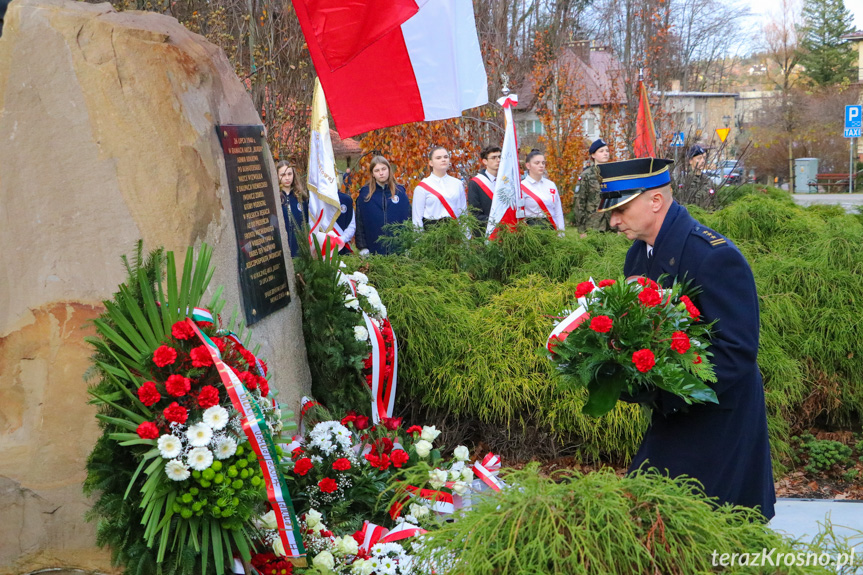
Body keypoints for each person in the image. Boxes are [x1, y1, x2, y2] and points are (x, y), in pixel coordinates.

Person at [596, 157, 776, 520]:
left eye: (621, 209)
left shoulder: (714, 256)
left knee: (718, 526)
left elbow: (736, 351)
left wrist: (665, 389)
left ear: (656, 202)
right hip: (675, 412)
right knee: (653, 516)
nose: (613, 221)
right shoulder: (638, 254)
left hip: (718, 416)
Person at [355, 156, 412, 255]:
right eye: (377, 170)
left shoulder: (400, 192)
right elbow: (360, 222)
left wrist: (408, 244)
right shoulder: (365, 194)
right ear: (372, 174)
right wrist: (362, 247)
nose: (381, 173)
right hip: (374, 250)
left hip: (398, 250)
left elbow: (408, 218)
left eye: (383, 169)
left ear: (389, 170)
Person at [412, 146, 468, 230]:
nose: (443, 160)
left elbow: (463, 212)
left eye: (446, 157)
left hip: (455, 232)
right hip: (432, 234)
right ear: (431, 163)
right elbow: (417, 218)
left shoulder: (458, 184)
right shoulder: (422, 187)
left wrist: (465, 238)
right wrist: (419, 239)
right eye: (438, 158)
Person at [571, 138, 611, 232]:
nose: (605, 153)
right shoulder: (586, 176)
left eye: (607, 151)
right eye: (601, 151)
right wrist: (581, 229)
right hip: (593, 226)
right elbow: (579, 203)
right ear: (593, 155)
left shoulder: (613, 174)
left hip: (611, 225)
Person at [520, 149, 565, 230]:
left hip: (551, 228)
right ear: (528, 165)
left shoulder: (551, 185)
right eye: (537, 163)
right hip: (533, 230)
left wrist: (561, 231)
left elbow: (558, 210)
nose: (541, 165)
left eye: (543, 163)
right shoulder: (522, 186)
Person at [277, 160, 309, 258]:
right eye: (283, 175)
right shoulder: (275, 199)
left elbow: (306, 223)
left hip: (299, 249)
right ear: (277, 176)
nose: (287, 178)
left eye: (289, 174)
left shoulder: (301, 197)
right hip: (281, 249)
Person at [467, 145, 501, 235]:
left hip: (506, 232)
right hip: (485, 233)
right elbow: (475, 214)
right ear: (485, 161)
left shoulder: (507, 182)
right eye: (494, 157)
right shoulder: (475, 183)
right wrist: (496, 221)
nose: (498, 160)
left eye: (500, 157)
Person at [334, 190, 356, 256]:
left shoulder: (346, 200)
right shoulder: (316, 200)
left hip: (343, 248)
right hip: (322, 248)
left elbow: (351, 225)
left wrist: (342, 239)